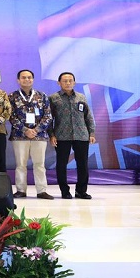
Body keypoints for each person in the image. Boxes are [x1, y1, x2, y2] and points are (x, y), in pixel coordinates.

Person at [49, 72, 96, 200]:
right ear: (59, 83)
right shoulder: (53, 98)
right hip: (61, 136)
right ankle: (65, 191)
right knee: (61, 164)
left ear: (74, 82)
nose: (68, 83)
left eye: (70, 80)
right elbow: (49, 119)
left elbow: (88, 116)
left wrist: (91, 133)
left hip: (81, 135)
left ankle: (81, 191)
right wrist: (51, 135)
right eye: (65, 81)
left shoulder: (81, 97)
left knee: (83, 164)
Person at [9, 69, 54, 199]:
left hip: (39, 136)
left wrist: (36, 130)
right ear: (18, 80)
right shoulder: (12, 96)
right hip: (19, 136)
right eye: (23, 77)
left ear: (33, 79)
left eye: (29, 77)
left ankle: (41, 191)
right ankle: (20, 190)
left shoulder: (42, 96)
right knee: (20, 164)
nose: (27, 80)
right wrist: (25, 130)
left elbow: (48, 116)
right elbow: (10, 116)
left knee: (39, 164)